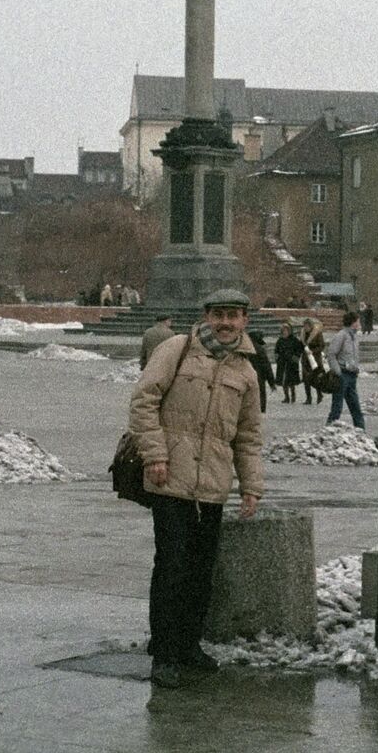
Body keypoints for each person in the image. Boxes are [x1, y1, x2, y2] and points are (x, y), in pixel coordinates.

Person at [130, 288, 263, 689]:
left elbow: (249, 435)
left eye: (233, 315)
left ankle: (188, 645)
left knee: (201, 571)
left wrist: (251, 486)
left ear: (244, 321)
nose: (225, 322)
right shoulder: (177, 348)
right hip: (169, 478)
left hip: (213, 486)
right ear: (205, 316)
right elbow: (143, 401)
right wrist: (155, 454)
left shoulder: (246, 371)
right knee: (171, 566)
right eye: (218, 314)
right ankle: (165, 652)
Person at [326, 311, 365, 430]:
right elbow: (331, 354)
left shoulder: (354, 337)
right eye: (358, 321)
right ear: (353, 322)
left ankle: (360, 429)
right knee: (337, 405)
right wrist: (338, 372)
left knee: (355, 405)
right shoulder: (342, 335)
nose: (359, 323)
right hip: (343, 373)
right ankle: (330, 428)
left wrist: (356, 368)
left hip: (352, 374)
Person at [246, 323, 277, 413]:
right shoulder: (260, 349)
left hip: (246, 376)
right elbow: (266, 366)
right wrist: (271, 382)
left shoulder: (245, 348)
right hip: (259, 377)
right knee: (260, 396)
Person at [274, 323, 303, 403]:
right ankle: (286, 397)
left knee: (291, 381)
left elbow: (299, 349)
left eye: (286, 330)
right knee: (284, 381)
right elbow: (276, 350)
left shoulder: (294, 340)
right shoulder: (280, 340)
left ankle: (293, 396)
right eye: (283, 330)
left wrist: (295, 357)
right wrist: (278, 358)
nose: (285, 332)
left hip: (291, 363)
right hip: (282, 363)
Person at [300, 319, 327, 405]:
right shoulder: (303, 334)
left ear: (311, 326)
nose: (306, 328)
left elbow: (322, 346)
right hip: (305, 359)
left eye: (307, 326)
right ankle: (308, 398)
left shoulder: (317, 334)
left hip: (315, 360)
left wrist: (313, 351)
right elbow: (301, 345)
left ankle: (319, 394)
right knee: (306, 379)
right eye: (304, 326)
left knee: (315, 378)